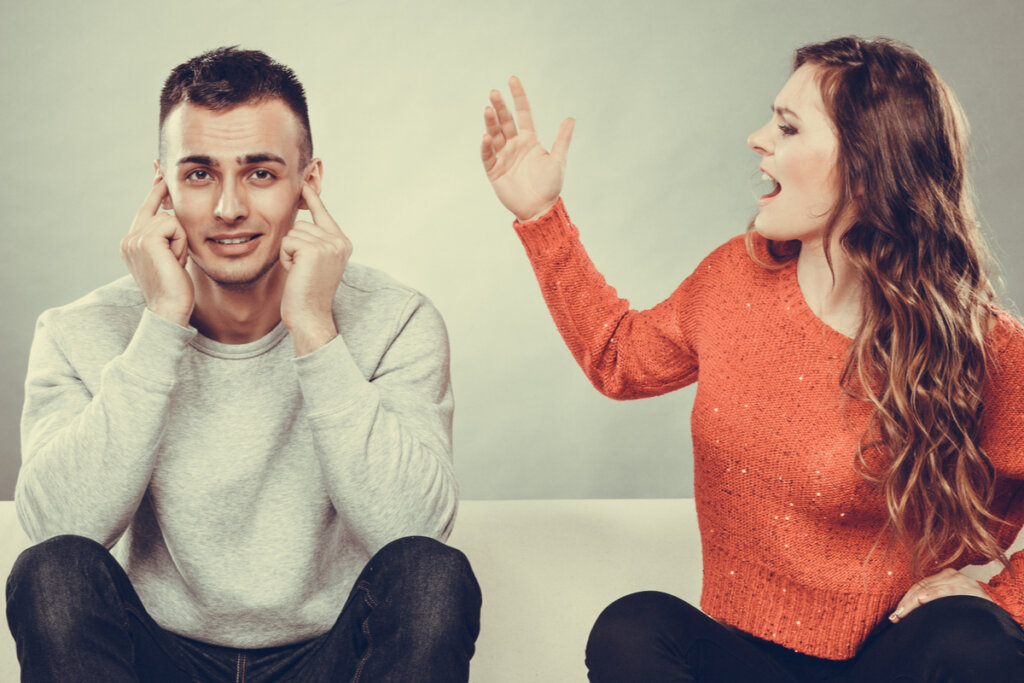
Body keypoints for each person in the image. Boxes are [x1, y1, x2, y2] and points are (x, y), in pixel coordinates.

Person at [480, 36, 1024, 681]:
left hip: (895, 658)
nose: (757, 138)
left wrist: (1004, 597)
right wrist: (542, 215)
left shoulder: (982, 344)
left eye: (788, 127)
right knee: (634, 627)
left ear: (866, 165)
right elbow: (618, 360)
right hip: (745, 659)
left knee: (971, 637)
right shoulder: (733, 282)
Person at [7, 47, 480, 682]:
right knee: (52, 573)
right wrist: (161, 323)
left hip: (330, 661)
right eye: (199, 174)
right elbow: (54, 534)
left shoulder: (397, 321)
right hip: (159, 659)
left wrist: (313, 326)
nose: (229, 207)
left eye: (260, 173)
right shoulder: (80, 331)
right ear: (163, 188)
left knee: (432, 576)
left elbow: (418, 532)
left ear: (308, 184)